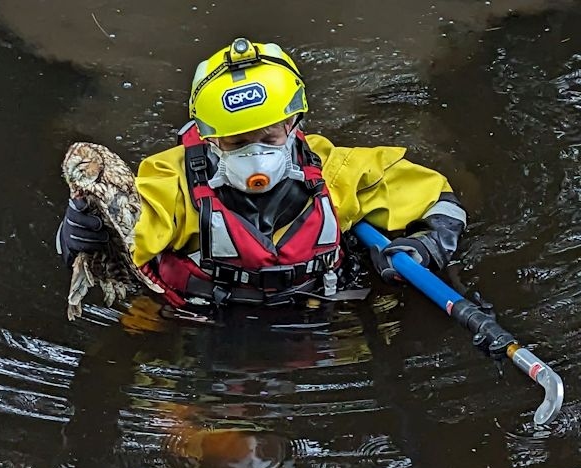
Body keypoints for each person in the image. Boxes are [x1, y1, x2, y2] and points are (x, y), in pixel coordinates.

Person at [57, 37, 467, 309]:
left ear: (294, 124)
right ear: (209, 138)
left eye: (268, 137)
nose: (255, 155)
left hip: (315, 311)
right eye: (236, 142)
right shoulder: (171, 180)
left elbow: (439, 200)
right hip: (205, 320)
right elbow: (128, 229)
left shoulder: (338, 170)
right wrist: (80, 231)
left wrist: (425, 247)